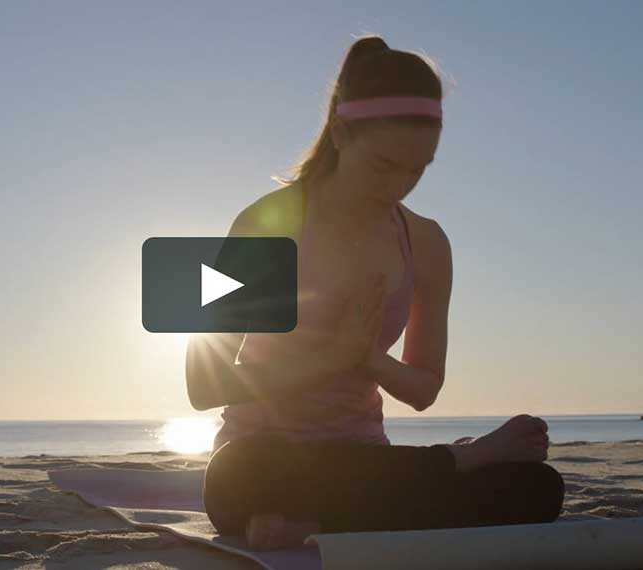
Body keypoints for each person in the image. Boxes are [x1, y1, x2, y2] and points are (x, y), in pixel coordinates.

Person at [184, 35, 565, 551]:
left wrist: (368, 361)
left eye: (419, 169)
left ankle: (326, 521)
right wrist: (332, 358)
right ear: (341, 132)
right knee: (240, 475)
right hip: (266, 461)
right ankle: (454, 462)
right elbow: (202, 384)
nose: (400, 185)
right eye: (385, 166)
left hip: (368, 463)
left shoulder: (426, 241)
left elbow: (423, 388)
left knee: (537, 489)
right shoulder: (267, 222)